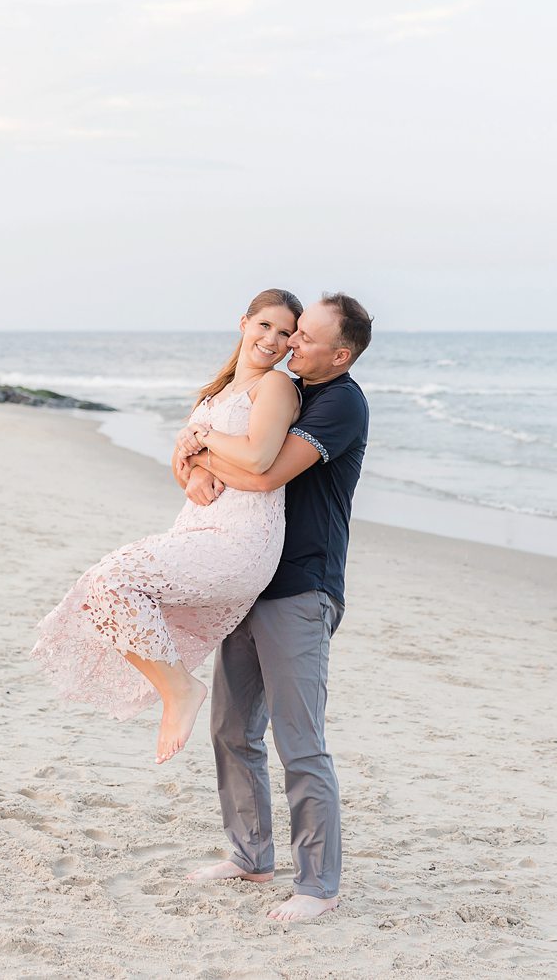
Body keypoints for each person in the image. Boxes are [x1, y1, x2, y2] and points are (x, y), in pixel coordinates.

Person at [30, 289, 303, 765]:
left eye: (284, 333)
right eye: (265, 326)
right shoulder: (217, 393)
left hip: (241, 539)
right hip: (196, 530)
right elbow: (183, 468)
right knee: (101, 589)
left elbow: (259, 457)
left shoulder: (275, 387)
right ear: (244, 323)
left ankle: (179, 691)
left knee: (113, 580)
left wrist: (201, 439)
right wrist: (195, 467)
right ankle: (178, 689)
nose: (272, 340)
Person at [176, 292, 373, 923]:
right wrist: (199, 458)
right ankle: (249, 856)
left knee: (300, 741)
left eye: (306, 338)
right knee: (231, 728)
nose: (292, 344)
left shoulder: (342, 402)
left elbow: (263, 473)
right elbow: (219, 468)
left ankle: (318, 885)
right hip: (248, 577)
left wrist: (202, 446)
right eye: (290, 333)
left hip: (302, 587)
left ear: (340, 355)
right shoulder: (283, 387)